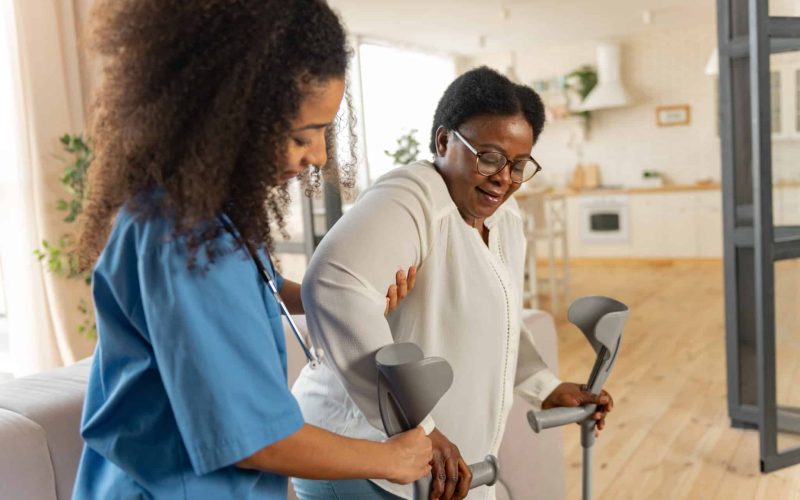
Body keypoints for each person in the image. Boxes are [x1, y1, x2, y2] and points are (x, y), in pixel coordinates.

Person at [71, 1, 432, 498]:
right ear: (232, 115)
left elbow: (258, 290)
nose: (319, 156)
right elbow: (255, 439)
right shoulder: (189, 239)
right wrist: (391, 459)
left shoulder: (208, 211)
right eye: (300, 135)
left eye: (325, 131)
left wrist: (343, 293)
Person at [291, 66, 614, 500]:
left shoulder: (503, 219)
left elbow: (498, 320)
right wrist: (419, 427)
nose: (503, 177)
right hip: (364, 457)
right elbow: (331, 285)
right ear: (444, 141)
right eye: (490, 156)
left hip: (426, 469)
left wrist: (545, 387)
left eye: (518, 165)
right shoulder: (412, 194)